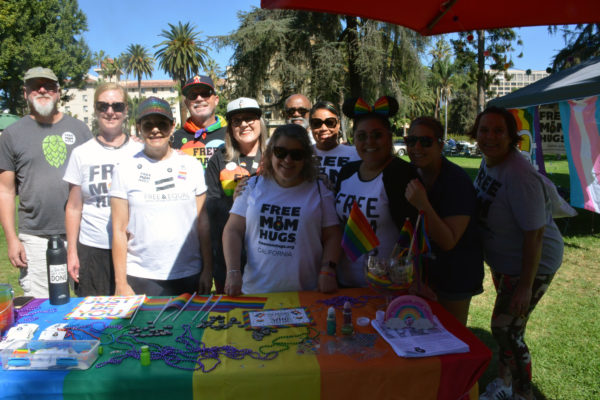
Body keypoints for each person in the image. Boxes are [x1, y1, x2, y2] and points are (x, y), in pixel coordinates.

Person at [471, 107, 564, 400]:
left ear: (512, 136)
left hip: (532, 264)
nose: (490, 136)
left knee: (506, 329)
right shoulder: (489, 162)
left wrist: (526, 285)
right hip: (506, 263)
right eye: (484, 129)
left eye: (499, 130)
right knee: (511, 327)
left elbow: (534, 233)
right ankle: (505, 383)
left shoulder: (520, 175)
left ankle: (524, 394)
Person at [0, 66, 92, 297]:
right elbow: (5, 191)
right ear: (25, 92)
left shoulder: (80, 130)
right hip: (35, 237)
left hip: (82, 235)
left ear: (58, 92)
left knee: (88, 305)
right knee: (42, 307)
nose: (42, 90)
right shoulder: (12, 134)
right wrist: (12, 239)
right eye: (35, 86)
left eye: (49, 86)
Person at [110, 97, 212, 296]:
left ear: (173, 127)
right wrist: (120, 282)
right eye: (148, 125)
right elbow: (119, 230)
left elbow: (203, 223)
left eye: (162, 124)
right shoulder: (124, 169)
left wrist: (208, 269)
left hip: (189, 272)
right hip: (142, 275)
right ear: (139, 127)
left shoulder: (191, 166)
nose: (155, 130)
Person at [223, 124, 341, 296]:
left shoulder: (320, 190)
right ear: (270, 153)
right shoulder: (251, 185)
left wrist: (328, 270)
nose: (288, 160)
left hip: (306, 292)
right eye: (280, 152)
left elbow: (333, 235)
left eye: (296, 154)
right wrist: (233, 272)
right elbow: (232, 230)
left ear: (306, 158)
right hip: (256, 292)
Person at [63, 83, 142, 296]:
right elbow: (73, 207)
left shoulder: (141, 150)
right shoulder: (81, 154)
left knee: (134, 316)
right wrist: (72, 252)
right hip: (93, 248)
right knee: (94, 317)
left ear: (126, 110)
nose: (110, 112)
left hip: (133, 250)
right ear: (96, 109)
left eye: (117, 106)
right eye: (103, 106)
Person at [404, 117, 483, 326]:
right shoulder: (413, 175)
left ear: (440, 144)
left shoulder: (456, 182)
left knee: (451, 333)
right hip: (425, 273)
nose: (417, 147)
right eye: (411, 141)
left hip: (456, 274)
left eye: (426, 141)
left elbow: (449, 241)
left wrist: (423, 204)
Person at [335, 96, 418, 287]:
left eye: (377, 135)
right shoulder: (347, 172)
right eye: (362, 136)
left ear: (389, 137)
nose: (369, 142)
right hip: (343, 282)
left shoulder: (401, 174)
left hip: (385, 285)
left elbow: (414, 235)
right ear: (353, 139)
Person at [205, 97, 268, 293]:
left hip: (265, 252)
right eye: (236, 121)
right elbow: (210, 204)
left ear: (260, 122)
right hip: (229, 254)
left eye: (250, 118)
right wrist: (232, 203)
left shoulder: (275, 155)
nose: (244, 124)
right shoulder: (219, 158)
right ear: (230, 127)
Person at [171, 75, 226, 168]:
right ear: (187, 103)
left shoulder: (232, 135)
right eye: (193, 95)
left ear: (216, 100)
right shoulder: (174, 140)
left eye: (205, 93)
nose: (199, 98)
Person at [309, 101, 359, 186]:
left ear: (338, 124)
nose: (323, 128)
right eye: (316, 123)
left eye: (330, 122)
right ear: (310, 126)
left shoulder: (356, 154)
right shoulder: (302, 155)